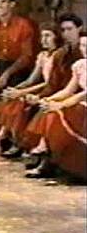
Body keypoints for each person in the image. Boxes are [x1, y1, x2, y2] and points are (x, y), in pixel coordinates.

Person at [0, 22, 60, 158]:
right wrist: (15, 89)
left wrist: (22, 93)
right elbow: (31, 79)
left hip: (51, 90)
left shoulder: (58, 55)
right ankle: (4, 137)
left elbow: (48, 83)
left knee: (21, 102)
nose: (44, 40)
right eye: (42, 36)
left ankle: (16, 143)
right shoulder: (42, 56)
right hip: (40, 87)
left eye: (48, 36)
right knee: (11, 99)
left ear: (56, 37)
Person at [30, 35, 86, 180]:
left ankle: (46, 154)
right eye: (82, 46)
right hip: (78, 102)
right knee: (49, 111)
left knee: (65, 111)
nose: (84, 49)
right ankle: (47, 156)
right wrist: (49, 99)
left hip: (82, 103)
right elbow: (68, 90)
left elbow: (83, 94)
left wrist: (61, 104)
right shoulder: (80, 65)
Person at [0, 0, 38, 90]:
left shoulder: (24, 26)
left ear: (12, 4)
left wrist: (7, 73)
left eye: (3, 2)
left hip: (18, 70)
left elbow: (26, 57)